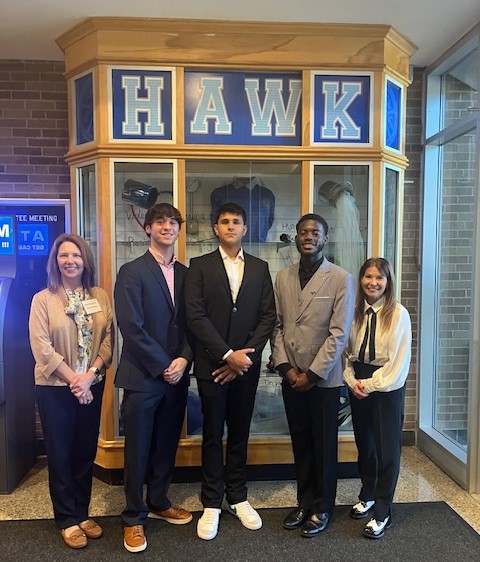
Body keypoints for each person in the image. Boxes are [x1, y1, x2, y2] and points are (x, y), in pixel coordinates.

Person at [186, 202, 276, 541]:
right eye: (224, 221)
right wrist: (226, 355)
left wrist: (243, 359)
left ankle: (238, 497)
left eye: (236, 221)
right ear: (216, 228)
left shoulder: (260, 267)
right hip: (212, 366)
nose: (230, 226)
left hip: (246, 368)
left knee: (240, 433)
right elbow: (195, 316)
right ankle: (211, 502)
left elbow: (268, 317)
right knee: (212, 434)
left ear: (244, 228)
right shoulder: (199, 265)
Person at [114, 203, 193, 553]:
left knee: (166, 444)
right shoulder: (131, 271)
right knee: (138, 448)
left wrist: (184, 359)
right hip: (143, 376)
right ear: (147, 228)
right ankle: (134, 516)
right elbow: (131, 326)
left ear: (179, 230)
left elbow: (194, 324)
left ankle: (159, 500)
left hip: (177, 375)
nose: (167, 227)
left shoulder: (188, 274)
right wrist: (164, 364)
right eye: (159, 221)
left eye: (173, 222)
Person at [271, 213, 354, 538]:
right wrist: (286, 368)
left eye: (315, 232)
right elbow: (277, 326)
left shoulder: (340, 278)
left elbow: (339, 334)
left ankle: (323, 507)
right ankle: (304, 502)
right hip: (291, 377)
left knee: (323, 446)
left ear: (325, 238)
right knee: (301, 442)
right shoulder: (283, 277)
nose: (309, 236)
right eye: (303, 232)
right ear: (296, 237)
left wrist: (312, 375)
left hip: (323, 380)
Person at [29, 233, 113, 549]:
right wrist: (75, 381)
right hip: (54, 388)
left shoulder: (100, 296)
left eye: (76, 255)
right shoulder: (43, 299)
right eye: (64, 255)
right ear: (56, 261)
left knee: (85, 451)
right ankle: (66, 519)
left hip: (92, 384)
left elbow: (109, 340)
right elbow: (42, 348)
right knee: (61, 454)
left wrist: (89, 377)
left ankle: (81, 512)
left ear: (85, 260)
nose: (70, 261)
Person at [343, 257, 411, 539]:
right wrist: (351, 381)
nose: (373, 283)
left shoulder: (397, 314)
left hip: (385, 387)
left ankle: (383, 510)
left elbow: (397, 365)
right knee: (366, 445)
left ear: (388, 281)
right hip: (358, 382)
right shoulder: (354, 311)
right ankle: (368, 494)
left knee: (387, 450)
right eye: (368, 276)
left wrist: (369, 385)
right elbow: (346, 354)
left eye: (379, 278)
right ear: (361, 279)